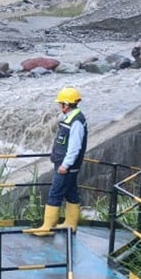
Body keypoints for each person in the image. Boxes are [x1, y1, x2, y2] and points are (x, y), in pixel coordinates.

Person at [30, 87, 88, 236]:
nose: (59, 106)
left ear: (66, 105)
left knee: (55, 194)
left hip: (66, 166)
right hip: (64, 163)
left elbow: (75, 147)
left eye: (61, 103)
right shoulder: (70, 118)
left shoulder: (76, 122)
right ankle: (70, 224)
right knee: (71, 193)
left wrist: (66, 165)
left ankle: (48, 227)